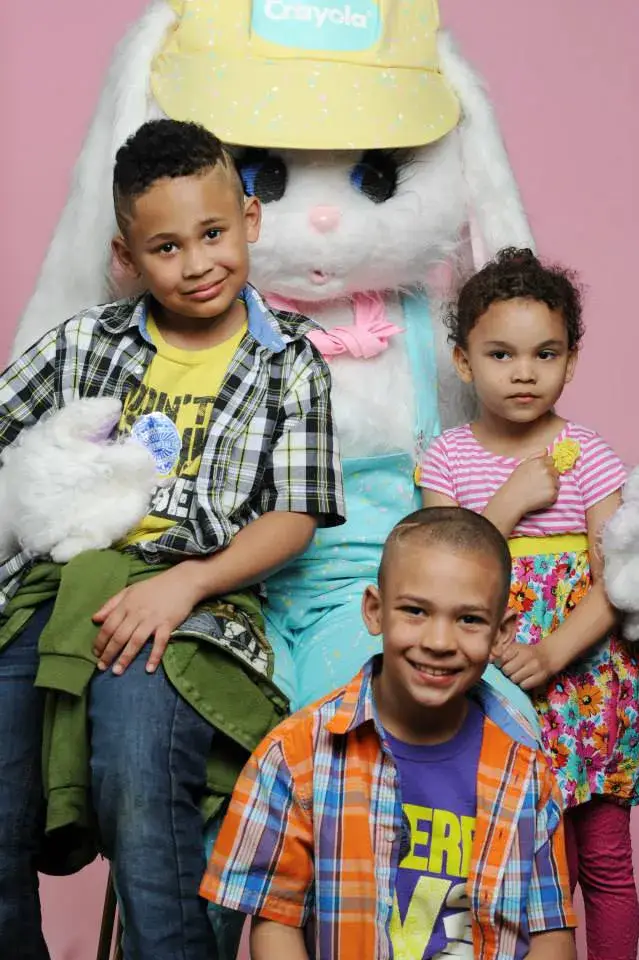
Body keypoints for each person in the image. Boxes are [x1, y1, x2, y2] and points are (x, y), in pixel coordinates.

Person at [0, 118, 344, 960]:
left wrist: (186, 583)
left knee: (137, 771)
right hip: (55, 586)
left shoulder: (291, 362)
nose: (196, 264)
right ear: (128, 255)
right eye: (166, 247)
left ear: (250, 220)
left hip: (193, 601)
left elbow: (295, 514)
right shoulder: (86, 342)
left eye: (213, 234)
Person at [201, 506, 577, 960]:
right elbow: (275, 922)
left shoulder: (527, 768)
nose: (439, 642)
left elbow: (550, 933)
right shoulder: (294, 756)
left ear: (501, 634)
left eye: (469, 620)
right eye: (415, 611)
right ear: (375, 611)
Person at [418, 247, 639, 959]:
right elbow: (440, 572)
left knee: (603, 860)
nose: (523, 372)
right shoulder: (446, 460)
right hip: (488, 682)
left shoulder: (588, 454)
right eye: (500, 354)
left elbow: (619, 582)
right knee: (524, 865)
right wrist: (507, 505)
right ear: (463, 361)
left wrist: (550, 653)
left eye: (545, 354)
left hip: (583, 684)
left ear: (570, 363)